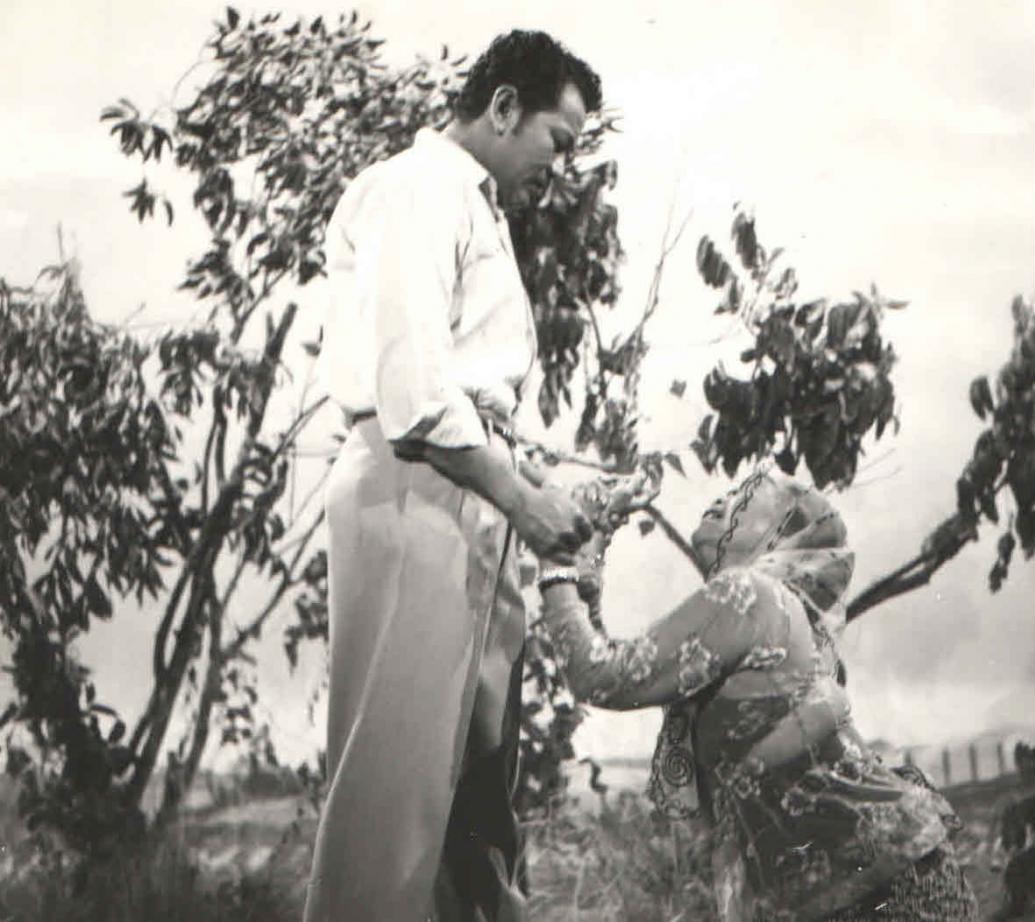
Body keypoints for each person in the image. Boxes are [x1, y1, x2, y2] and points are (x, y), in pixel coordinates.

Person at [304, 30, 602, 922]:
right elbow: (416, 394)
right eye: (558, 140)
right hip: (414, 490)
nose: (561, 168)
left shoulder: (477, 208)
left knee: (474, 799)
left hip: (469, 495)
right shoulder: (417, 188)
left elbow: (470, 386)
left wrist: (529, 483)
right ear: (504, 106)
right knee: (396, 805)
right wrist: (521, 498)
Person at [536, 464, 979, 921]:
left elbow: (599, 675)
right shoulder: (770, 614)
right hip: (878, 880)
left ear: (781, 534)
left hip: (883, 889)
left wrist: (554, 558)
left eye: (744, 496)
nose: (721, 500)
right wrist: (585, 544)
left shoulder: (749, 593)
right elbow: (602, 664)